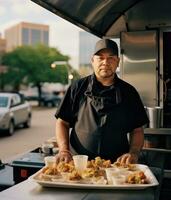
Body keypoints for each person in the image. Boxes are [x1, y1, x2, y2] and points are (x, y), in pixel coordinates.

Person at [55, 39, 149, 164]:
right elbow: (62, 122)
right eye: (100, 58)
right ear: (92, 61)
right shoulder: (77, 88)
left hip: (117, 166)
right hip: (78, 164)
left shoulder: (129, 92)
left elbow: (137, 130)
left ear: (118, 62)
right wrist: (63, 150)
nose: (105, 62)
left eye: (111, 58)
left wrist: (133, 152)